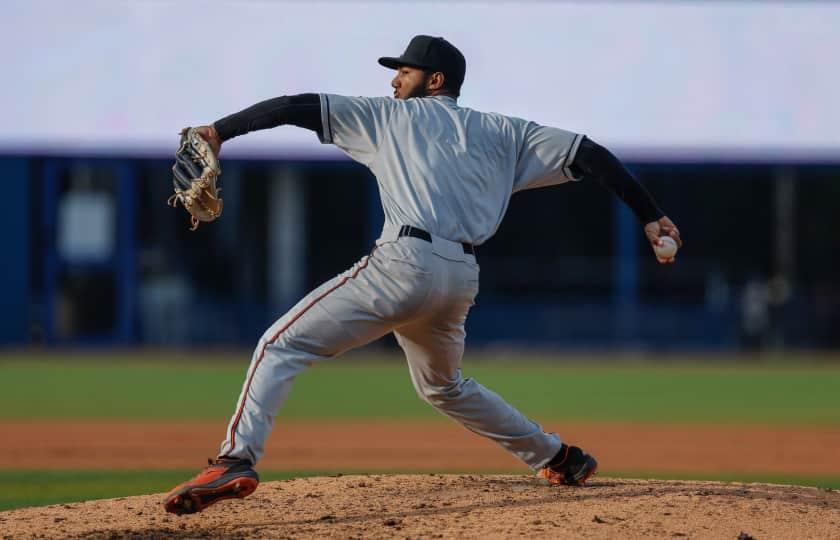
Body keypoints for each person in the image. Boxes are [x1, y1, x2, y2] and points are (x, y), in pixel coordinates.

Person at [163, 35, 682, 515]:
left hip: (402, 265)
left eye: (404, 72)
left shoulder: (389, 118)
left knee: (280, 345)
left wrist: (219, 130)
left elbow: (296, 107)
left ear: (434, 81)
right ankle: (558, 456)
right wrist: (650, 215)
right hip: (460, 278)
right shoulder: (505, 132)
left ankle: (235, 459)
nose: (393, 82)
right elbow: (590, 155)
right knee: (443, 386)